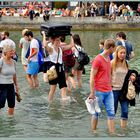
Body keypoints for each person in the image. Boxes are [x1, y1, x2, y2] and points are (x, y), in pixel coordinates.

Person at [88, 39, 116, 134]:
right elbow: (92, 77)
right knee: (96, 114)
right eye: (114, 48)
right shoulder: (98, 59)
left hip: (109, 91)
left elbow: (108, 73)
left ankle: (112, 134)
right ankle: (94, 132)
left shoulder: (108, 58)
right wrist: (92, 92)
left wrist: (111, 84)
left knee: (111, 113)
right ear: (111, 48)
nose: (114, 50)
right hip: (98, 91)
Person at [42, 31, 74, 102]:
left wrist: (71, 35)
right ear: (53, 41)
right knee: (53, 88)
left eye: (59, 40)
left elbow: (71, 45)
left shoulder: (61, 48)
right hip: (51, 69)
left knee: (63, 86)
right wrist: (44, 34)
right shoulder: (51, 49)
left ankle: (64, 102)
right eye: (57, 40)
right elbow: (44, 45)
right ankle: (50, 102)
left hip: (60, 68)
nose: (58, 41)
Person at [111, 46, 129, 129]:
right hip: (113, 90)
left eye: (124, 53)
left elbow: (128, 76)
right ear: (117, 53)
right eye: (121, 53)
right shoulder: (111, 63)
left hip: (124, 91)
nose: (122, 54)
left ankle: (123, 130)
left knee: (125, 111)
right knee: (113, 111)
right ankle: (112, 131)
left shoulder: (127, 63)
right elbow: (107, 76)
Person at [0, 44, 19, 117]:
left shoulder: (14, 62)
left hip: (11, 85)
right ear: (5, 52)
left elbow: (14, 75)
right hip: (1, 86)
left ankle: (10, 121)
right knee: (1, 104)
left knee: (12, 105)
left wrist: (16, 86)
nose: (12, 52)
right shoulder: (1, 61)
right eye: (10, 51)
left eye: (13, 51)